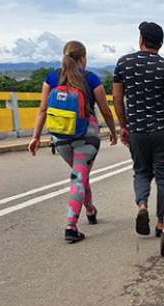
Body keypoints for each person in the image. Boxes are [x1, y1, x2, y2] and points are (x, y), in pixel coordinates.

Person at [28, 41, 118, 244]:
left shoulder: (52, 78)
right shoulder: (91, 78)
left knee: (80, 175)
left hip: (60, 138)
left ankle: (90, 209)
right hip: (86, 136)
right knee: (79, 177)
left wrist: (35, 137)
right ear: (83, 58)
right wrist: (113, 131)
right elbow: (105, 110)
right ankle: (71, 226)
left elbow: (43, 110)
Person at [113, 21, 164, 238]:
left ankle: (142, 206)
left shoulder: (124, 64)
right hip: (163, 132)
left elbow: (117, 98)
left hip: (137, 131)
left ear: (140, 40)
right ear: (160, 44)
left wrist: (124, 126)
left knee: (141, 171)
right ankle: (161, 222)